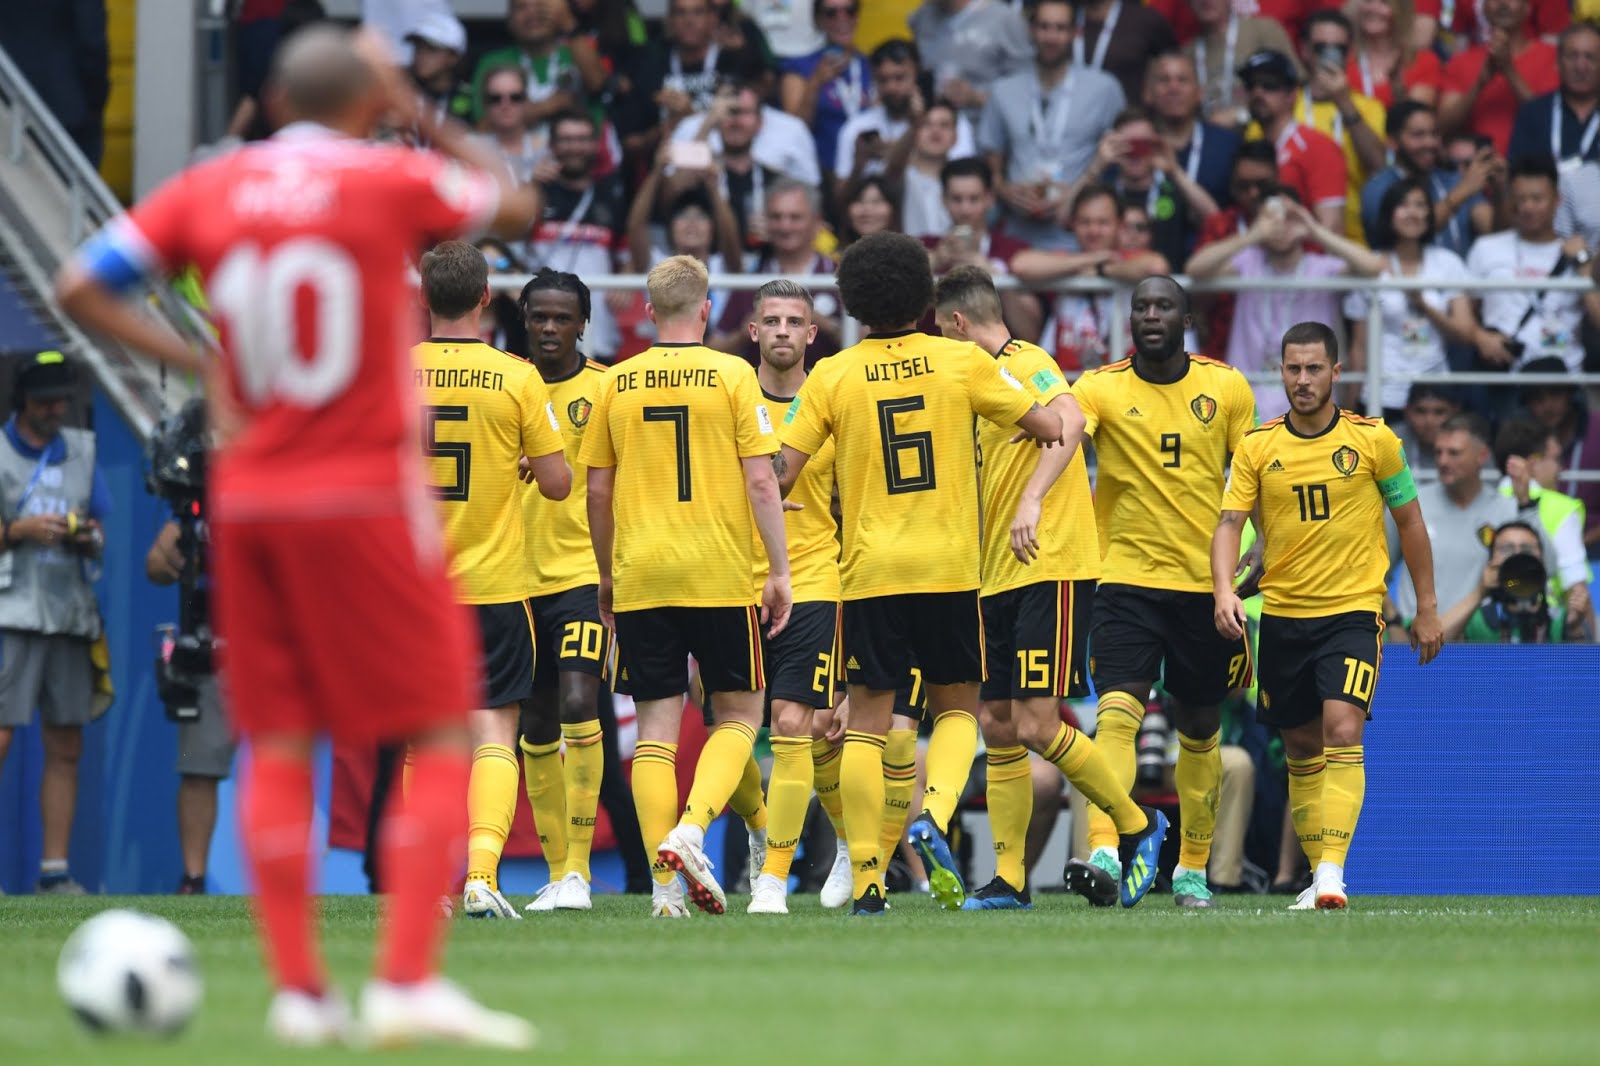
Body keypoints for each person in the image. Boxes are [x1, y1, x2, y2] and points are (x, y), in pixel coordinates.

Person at [54, 26, 541, 1045]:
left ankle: (301, 992)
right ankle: (405, 978)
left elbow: (78, 287)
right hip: (365, 492)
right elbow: (513, 201)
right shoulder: (385, 178)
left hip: (255, 497)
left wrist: (199, 362)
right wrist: (417, 107)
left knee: (276, 737)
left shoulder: (210, 185)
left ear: (273, 100)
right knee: (445, 725)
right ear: (366, 100)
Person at [774, 231, 1071, 915]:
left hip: (870, 571)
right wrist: (1032, 419)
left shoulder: (833, 375)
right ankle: (933, 815)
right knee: (958, 709)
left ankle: (869, 881)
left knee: (866, 726)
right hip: (949, 568)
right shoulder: (961, 361)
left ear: (852, 302)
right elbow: (1048, 426)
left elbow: (782, 471)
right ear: (923, 299)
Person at [932, 266, 1168, 911]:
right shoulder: (976, 383)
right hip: (995, 573)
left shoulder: (1025, 361)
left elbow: (1069, 419)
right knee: (997, 723)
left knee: (1038, 724)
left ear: (958, 323)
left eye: (942, 330)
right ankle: (1009, 880)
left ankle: (1139, 825)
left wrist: (1033, 498)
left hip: (1050, 564)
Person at [578, 255, 792, 918]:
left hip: (642, 574)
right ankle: (692, 829)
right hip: (718, 572)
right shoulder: (733, 375)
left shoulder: (616, 381)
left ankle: (663, 891)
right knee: (740, 715)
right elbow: (762, 481)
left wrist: (607, 574)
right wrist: (780, 570)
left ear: (648, 312)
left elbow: (597, 492)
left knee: (654, 734)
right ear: (706, 310)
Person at [1213, 320, 1443, 910]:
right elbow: (1230, 524)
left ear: (1336, 372)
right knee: (1299, 748)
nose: (1303, 379)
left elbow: (1411, 522)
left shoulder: (1374, 441)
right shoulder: (1258, 447)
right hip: (1283, 616)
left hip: (1352, 612)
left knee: (1342, 730)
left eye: (1314, 368)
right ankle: (1319, 876)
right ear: (1280, 372)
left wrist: (1426, 607)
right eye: (1293, 368)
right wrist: (1223, 590)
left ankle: (1333, 873)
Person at [1064, 275, 1257, 910]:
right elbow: (1064, 441)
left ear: (1186, 318)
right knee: (1116, 715)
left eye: (1163, 306)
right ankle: (1104, 850)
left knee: (1200, 725)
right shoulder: (1099, 386)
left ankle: (1192, 870)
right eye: (1141, 306)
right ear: (1130, 319)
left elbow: (1253, 475)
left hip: (1206, 586)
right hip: (1124, 579)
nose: (1151, 315)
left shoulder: (1226, 387)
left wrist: (1263, 543)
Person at [413, 241, 572, 922]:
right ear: (486, 298)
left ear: (425, 297)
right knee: (494, 734)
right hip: (496, 586)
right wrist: (523, 464)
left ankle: (428, 882)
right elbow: (559, 483)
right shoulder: (516, 377)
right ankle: (481, 875)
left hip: (416, 589)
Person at [726, 279, 844, 916]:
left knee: (796, 724)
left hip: (814, 578)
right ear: (753, 331)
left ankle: (772, 877)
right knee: (728, 729)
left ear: (811, 334)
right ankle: (759, 825)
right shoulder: (729, 396)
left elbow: (856, 497)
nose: (781, 331)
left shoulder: (831, 401)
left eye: (793, 322)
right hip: (728, 580)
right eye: (770, 320)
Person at [508, 268, 616, 914]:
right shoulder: (506, 385)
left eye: (562, 318)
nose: (550, 328)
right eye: (540, 317)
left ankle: (578, 869)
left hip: (582, 575)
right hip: (514, 578)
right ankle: (557, 874)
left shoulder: (605, 389)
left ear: (582, 324)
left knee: (581, 701)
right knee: (537, 720)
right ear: (524, 320)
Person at [0, 351, 108, 897]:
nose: (56, 409)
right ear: (23, 399)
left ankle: (55, 873)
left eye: (61, 399)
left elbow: (101, 525)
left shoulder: (82, 450)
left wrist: (86, 537)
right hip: (11, 612)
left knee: (66, 742)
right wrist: (18, 531)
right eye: (45, 400)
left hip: (68, 612)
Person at [1185, 191, 1385, 419]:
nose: (1280, 225)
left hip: (1309, 398)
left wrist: (1314, 230)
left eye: (1290, 217)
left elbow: (1373, 266)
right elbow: (1195, 269)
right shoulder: (1248, 262)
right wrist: (1253, 235)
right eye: (1271, 217)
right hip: (1249, 397)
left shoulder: (1321, 268)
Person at [1383, 414, 1550, 639]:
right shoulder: (1411, 504)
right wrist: (1393, 620)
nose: (1443, 461)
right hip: (1416, 642)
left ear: (1482, 456)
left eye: (1454, 453)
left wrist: (1526, 503)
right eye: (1438, 452)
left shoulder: (1505, 508)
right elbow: (1374, 571)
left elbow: (1548, 567)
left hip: (1479, 643)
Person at [980, 0, 1127, 250]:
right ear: (1031, 30)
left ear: (1075, 32)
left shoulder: (1104, 89)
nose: (1051, 37)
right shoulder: (1003, 90)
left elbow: (1121, 161)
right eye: (1044, 27)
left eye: (1060, 28)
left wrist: (1081, 191)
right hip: (1017, 235)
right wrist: (1005, 190)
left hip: (1081, 236)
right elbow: (991, 161)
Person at [146, 520, 233, 895]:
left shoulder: (285, 497)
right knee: (199, 769)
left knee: (285, 766)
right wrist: (179, 556)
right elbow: (155, 566)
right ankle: (193, 880)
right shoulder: (197, 511)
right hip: (209, 650)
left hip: (275, 649)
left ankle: (288, 882)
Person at [1345, 178, 1479, 417]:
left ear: (1429, 214)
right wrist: (1349, 408)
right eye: (1404, 205)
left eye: (1420, 205)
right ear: (1389, 214)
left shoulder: (1448, 263)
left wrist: (1424, 306)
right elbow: (1359, 346)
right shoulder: (1371, 266)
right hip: (1382, 392)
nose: (1413, 213)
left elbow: (1465, 333)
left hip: (1435, 394)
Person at [1013, 184, 1170, 372]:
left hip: (1123, 382)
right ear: (1073, 224)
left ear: (1120, 225)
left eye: (1103, 223)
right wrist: (1092, 259)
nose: (1093, 231)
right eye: (1085, 222)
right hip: (1072, 383)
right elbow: (1020, 265)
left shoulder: (1128, 260)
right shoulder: (1068, 262)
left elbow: (1157, 267)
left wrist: (1103, 270)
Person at [1466, 155, 1600, 373]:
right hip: (1507, 377)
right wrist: (1479, 336)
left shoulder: (1580, 254)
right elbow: (1464, 312)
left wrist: (1583, 264)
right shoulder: (1486, 248)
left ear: (1557, 200)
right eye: (1520, 199)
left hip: (1566, 379)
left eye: (1537, 199)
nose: (1528, 207)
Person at [1285, 10, 1391, 240]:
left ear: (1349, 53)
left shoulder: (1369, 108)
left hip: (1357, 239)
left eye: (1338, 49)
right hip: (1295, 236)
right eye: (1321, 48)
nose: (1329, 56)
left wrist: (1344, 102)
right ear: (1304, 50)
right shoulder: (1285, 106)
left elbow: (1379, 166)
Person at [710, 182, 841, 366]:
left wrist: (827, 326)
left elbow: (867, 344)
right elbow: (712, 350)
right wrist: (743, 334)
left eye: (795, 217)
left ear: (817, 221)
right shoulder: (750, 281)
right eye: (776, 217)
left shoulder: (840, 277)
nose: (785, 226)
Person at [1079, 105, 1220, 270]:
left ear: (1157, 145)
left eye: (1143, 145)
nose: (1136, 153)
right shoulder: (1105, 191)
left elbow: (1215, 220)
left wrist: (1175, 171)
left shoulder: (1173, 188)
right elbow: (1063, 216)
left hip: (1167, 283)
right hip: (1112, 283)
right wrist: (1097, 165)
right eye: (1128, 145)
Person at [1492, 417, 1596, 629]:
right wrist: (1591, 637)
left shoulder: (1482, 503)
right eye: (1556, 459)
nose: (1561, 469)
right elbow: (1577, 590)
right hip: (1544, 629)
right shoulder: (1562, 508)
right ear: (1533, 463)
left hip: (1487, 628)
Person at [833, 40, 977, 192]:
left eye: (899, 77)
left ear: (917, 74)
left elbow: (964, 180)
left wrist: (896, 151)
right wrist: (859, 163)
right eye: (883, 80)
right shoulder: (857, 127)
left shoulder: (947, 121)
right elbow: (840, 199)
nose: (891, 87)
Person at [924, 157, 1040, 342]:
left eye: (974, 199)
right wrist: (934, 262)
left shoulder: (1013, 251)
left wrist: (996, 278)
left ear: (990, 199)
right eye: (956, 199)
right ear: (943, 200)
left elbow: (1030, 333)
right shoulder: (925, 247)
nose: (965, 209)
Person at [1361, 101, 1498, 258]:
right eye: (1418, 135)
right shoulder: (1378, 187)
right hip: (1401, 273)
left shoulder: (1452, 180)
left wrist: (1501, 191)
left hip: (1459, 272)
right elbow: (1407, 234)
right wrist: (1462, 191)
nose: (1430, 143)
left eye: (1434, 134)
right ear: (1392, 142)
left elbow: (1493, 232)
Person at [1235, 50, 1348, 234]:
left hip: (1304, 251)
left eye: (1269, 85)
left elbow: (1332, 227)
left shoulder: (1317, 147)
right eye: (1250, 85)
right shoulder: (1248, 145)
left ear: (1292, 95)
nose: (1258, 92)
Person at [1143, 52, 1242, 262]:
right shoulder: (1137, 143)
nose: (1173, 88)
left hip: (1210, 267)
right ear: (1148, 93)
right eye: (1164, 80)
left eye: (1182, 80)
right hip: (1144, 266)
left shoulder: (1227, 145)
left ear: (1199, 93)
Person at [1191, 138, 1279, 358]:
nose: (1253, 193)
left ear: (1278, 180)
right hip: (1225, 346)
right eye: (1243, 186)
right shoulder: (1220, 225)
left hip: (1284, 346)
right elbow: (1196, 283)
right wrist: (1252, 236)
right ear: (1231, 185)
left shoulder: (1294, 224)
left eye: (1262, 185)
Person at [1439, 0, 1559, 155]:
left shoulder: (1552, 58)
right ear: (1483, 8)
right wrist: (1479, 84)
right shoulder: (1461, 61)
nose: (1503, 3)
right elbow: (1443, 127)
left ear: (1527, 8)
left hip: (1534, 164)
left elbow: (1552, 123)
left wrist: (1509, 71)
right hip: (1476, 164)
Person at [1441, 521, 1583, 642]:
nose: (1517, 555)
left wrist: (1574, 629)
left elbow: (1583, 664)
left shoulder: (1558, 619)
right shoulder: (1475, 619)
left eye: (1527, 549)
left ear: (1543, 562)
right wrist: (1480, 592)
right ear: (1491, 561)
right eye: (1506, 549)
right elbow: (1434, 647)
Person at [779, 0, 871, 179]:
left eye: (850, 11)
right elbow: (793, 132)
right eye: (831, 13)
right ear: (818, 20)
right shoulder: (799, 68)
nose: (842, 19)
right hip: (819, 173)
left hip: (865, 172)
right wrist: (815, 83)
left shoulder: (870, 66)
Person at [1519, 358, 1600, 554]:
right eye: (1537, 398)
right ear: (1527, 404)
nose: (1547, 405)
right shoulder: (1519, 438)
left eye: (1555, 393)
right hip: (1536, 545)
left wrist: (1579, 543)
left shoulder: (1598, 429)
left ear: (1570, 393)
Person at [908, 0, 1033, 122]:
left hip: (984, 127)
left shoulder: (1004, 19)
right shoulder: (923, 17)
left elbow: (1025, 89)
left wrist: (977, 97)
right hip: (935, 125)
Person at [1183, 0, 1299, 128]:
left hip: (1262, 132)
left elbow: (1297, 89)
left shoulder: (1263, 31)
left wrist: (1242, 115)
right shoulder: (1186, 54)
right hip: (1209, 135)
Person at [1507, 21, 1600, 167]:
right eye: (1572, 56)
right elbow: (1517, 172)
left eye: (1590, 57)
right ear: (1557, 63)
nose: (1581, 66)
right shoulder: (1533, 114)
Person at [1068, 0, 1179, 102]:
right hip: (1069, 112)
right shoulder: (1064, 17)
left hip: (1130, 113)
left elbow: (1174, 67)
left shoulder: (1146, 20)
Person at [885, 101, 966, 238]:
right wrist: (914, 125)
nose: (935, 131)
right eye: (926, 124)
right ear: (915, 133)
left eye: (944, 125)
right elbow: (894, 164)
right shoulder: (902, 175)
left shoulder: (966, 179)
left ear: (956, 136)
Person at [1347, 0, 1445, 109]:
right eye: (1368, 1)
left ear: (1401, 11)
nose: (1373, 8)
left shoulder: (1423, 61)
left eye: (1384, 3)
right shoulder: (1344, 56)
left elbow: (1414, 116)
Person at [468, 64, 548, 184]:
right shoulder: (469, 150)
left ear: (527, 102)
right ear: (485, 104)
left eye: (515, 97)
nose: (505, 105)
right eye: (495, 98)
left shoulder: (548, 149)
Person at [1392, 382, 1466, 475]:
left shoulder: (1470, 442)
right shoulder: (1391, 440)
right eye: (1420, 411)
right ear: (1407, 412)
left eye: (1439, 412)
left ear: (1455, 412)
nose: (1429, 421)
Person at [837, 175, 900, 249]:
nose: (867, 208)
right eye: (859, 200)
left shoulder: (906, 253)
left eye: (877, 201)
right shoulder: (832, 253)